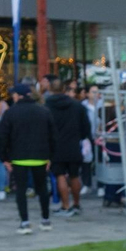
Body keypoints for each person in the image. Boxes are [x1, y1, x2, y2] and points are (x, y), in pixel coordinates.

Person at [0, 80, 53, 234]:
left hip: (19, 157)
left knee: (20, 190)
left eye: (14, 94)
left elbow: (2, 137)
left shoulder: (10, 113)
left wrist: (4, 158)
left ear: (18, 96)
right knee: (42, 188)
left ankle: (25, 222)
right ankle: (45, 220)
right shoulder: (44, 111)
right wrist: (50, 157)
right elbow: (52, 136)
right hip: (40, 156)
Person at [43, 76, 91, 218]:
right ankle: (76, 204)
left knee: (60, 175)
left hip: (56, 146)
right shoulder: (77, 106)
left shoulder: (47, 107)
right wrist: (82, 137)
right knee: (75, 175)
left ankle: (65, 205)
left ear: (50, 89)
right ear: (64, 89)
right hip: (73, 144)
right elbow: (86, 127)